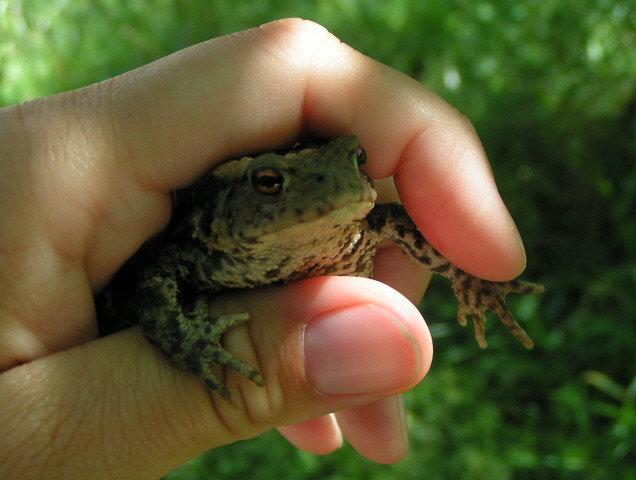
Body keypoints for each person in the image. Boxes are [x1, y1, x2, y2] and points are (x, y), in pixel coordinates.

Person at [0, 19, 527, 479]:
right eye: (272, 183)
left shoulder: (370, 222)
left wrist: (471, 279)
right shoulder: (209, 246)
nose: (336, 186)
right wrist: (193, 346)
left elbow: (403, 223)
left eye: (356, 161)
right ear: (255, 190)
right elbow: (157, 275)